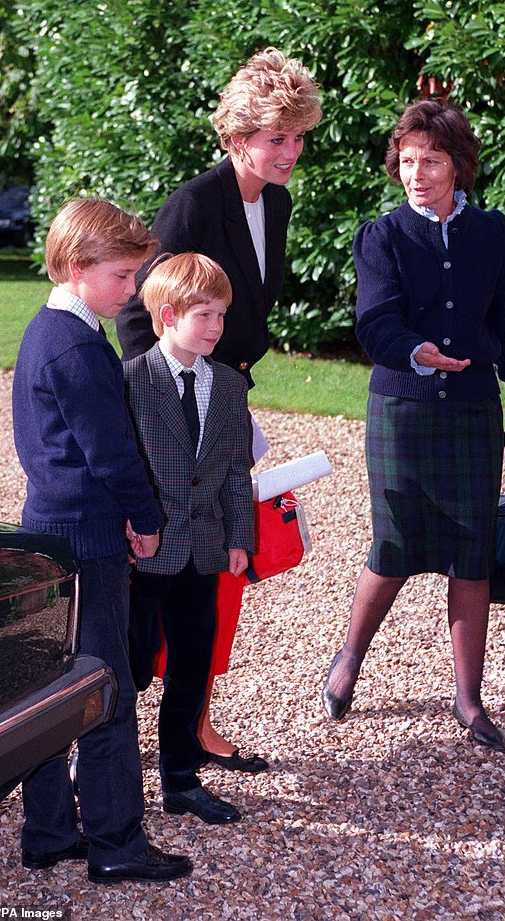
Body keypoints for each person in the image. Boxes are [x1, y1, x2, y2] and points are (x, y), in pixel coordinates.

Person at [322, 99, 505, 751]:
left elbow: (504, 323)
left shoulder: (489, 231)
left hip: (471, 412)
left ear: (458, 167)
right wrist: (416, 352)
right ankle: (349, 657)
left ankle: (468, 700)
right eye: (408, 161)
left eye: (432, 161)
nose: (417, 174)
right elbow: (375, 322)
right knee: (394, 547)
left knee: (471, 555)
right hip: (403, 411)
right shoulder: (382, 236)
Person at [117, 46, 321, 770]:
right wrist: (168, 405)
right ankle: (113, 735)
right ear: (236, 137)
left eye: (298, 137)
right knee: (157, 581)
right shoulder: (195, 204)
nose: (290, 151)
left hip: (227, 400)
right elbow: (138, 316)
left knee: (222, 568)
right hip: (176, 410)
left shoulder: (278, 202)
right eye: (277, 137)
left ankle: (193, 724)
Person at [12, 198, 192, 884]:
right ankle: (116, 843)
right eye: (121, 276)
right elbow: (112, 454)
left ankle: (50, 830)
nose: (133, 290)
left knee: (55, 690)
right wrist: (146, 518)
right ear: (77, 267)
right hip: (86, 540)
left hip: (50, 529)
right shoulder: (79, 347)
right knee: (104, 689)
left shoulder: (49, 329)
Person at [124, 252, 255, 825]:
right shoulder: (131, 380)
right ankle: (99, 766)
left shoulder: (227, 384)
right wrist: (130, 526)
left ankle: (180, 778)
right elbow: (120, 464)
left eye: (222, 315)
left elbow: (235, 470)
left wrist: (239, 536)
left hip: (201, 553)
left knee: (191, 666)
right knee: (130, 664)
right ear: (167, 316)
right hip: (144, 554)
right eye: (204, 315)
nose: (216, 327)